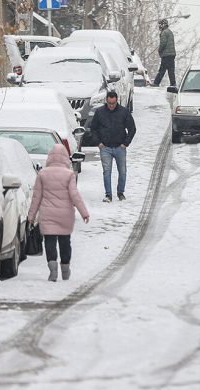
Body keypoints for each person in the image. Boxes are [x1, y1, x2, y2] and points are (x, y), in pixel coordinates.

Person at [27, 144, 90, 282]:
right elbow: (75, 195)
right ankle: (65, 269)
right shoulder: (69, 175)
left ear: (50, 157)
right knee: (65, 241)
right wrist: (84, 213)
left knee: (49, 241)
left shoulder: (42, 174)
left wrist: (31, 216)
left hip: (47, 214)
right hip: (65, 215)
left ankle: (53, 270)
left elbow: (36, 197)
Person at [89, 90, 137, 203]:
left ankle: (120, 192)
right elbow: (93, 129)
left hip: (120, 147)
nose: (111, 106)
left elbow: (132, 128)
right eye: (109, 103)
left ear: (117, 101)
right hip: (105, 147)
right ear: (106, 101)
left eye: (113, 103)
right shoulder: (100, 112)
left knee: (122, 171)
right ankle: (108, 194)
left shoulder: (124, 112)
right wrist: (98, 143)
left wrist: (125, 143)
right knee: (107, 172)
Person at [153, 19, 176, 87]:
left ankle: (156, 83)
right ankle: (173, 83)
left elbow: (163, 43)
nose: (159, 26)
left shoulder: (164, 33)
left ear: (163, 25)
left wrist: (159, 50)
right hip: (172, 54)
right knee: (171, 70)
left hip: (166, 55)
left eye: (160, 24)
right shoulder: (170, 32)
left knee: (162, 70)